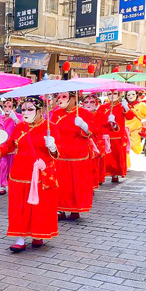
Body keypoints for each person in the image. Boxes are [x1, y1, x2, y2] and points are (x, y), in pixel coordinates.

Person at [0, 96, 59, 252]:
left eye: (30, 109)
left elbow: (57, 153)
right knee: (19, 207)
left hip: (39, 174)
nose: (25, 112)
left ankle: (38, 234)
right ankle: (20, 238)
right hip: (19, 173)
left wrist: (52, 147)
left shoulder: (51, 127)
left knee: (38, 207)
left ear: (40, 110)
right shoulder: (19, 127)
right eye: (23, 109)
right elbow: (10, 145)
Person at [49, 92, 95, 220]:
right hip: (60, 154)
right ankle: (60, 208)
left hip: (78, 155)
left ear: (74, 98)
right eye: (59, 97)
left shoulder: (84, 114)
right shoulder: (56, 114)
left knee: (77, 184)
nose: (60, 100)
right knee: (61, 183)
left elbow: (92, 132)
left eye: (64, 97)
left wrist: (84, 126)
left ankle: (76, 208)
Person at [97, 91, 134, 183]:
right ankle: (101, 176)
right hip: (105, 136)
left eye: (114, 94)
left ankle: (115, 174)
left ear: (119, 95)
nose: (112, 96)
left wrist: (126, 108)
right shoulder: (103, 107)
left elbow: (130, 117)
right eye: (109, 94)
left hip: (117, 136)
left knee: (116, 157)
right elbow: (97, 120)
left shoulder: (122, 106)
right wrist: (107, 121)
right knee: (104, 158)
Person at [81, 93, 106, 189]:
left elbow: (97, 130)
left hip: (96, 143)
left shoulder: (100, 114)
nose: (89, 104)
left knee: (94, 166)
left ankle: (92, 185)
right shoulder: (79, 114)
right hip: (83, 144)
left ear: (96, 104)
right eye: (86, 102)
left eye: (92, 102)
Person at [125, 90, 146, 156]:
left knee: (135, 147)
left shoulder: (142, 105)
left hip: (136, 128)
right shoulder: (124, 105)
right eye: (128, 95)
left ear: (136, 95)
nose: (131, 96)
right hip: (125, 128)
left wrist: (145, 121)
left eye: (133, 94)